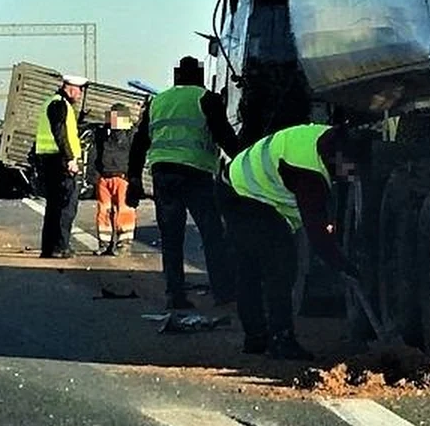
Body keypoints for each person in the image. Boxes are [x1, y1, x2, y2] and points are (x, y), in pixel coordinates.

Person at [217, 123, 361, 360]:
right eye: (351, 168)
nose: (351, 176)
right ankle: (280, 339)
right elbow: (317, 234)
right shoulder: (308, 173)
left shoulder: (323, 139)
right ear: (337, 157)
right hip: (245, 197)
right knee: (280, 267)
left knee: (250, 267)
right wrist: (344, 266)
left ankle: (256, 338)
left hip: (235, 185)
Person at [128, 56, 239, 310]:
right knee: (212, 233)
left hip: (163, 174)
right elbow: (225, 136)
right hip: (196, 173)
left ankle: (175, 294)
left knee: (171, 236)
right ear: (199, 77)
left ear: (177, 76)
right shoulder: (206, 98)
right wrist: (247, 162)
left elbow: (140, 142)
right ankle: (223, 291)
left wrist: (134, 177)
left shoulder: (158, 101)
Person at [34, 74, 88, 259]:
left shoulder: (52, 102)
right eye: (79, 90)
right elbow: (60, 133)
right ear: (70, 88)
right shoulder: (59, 104)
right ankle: (60, 246)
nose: (80, 95)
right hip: (59, 161)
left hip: (50, 160)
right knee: (66, 206)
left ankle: (49, 248)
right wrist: (70, 158)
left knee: (54, 206)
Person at [92, 103, 138, 256]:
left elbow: (137, 156)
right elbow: (95, 154)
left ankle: (124, 243)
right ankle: (104, 243)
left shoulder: (132, 134)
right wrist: (94, 176)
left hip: (123, 178)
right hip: (104, 178)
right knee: (103, 211)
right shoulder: (102, 133)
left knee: (124, 211)